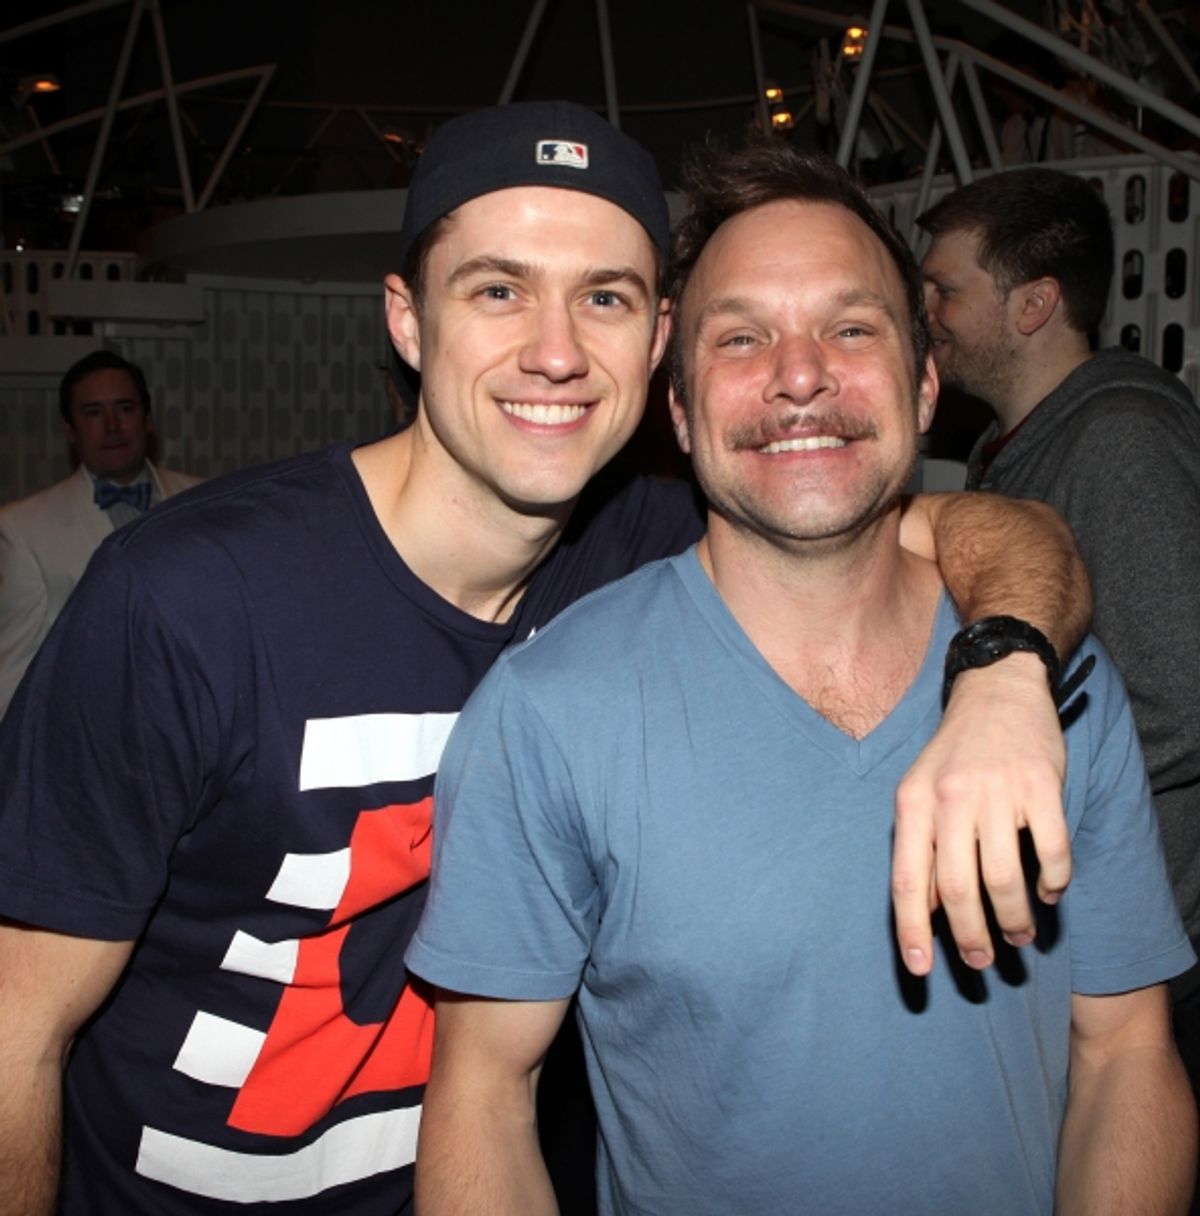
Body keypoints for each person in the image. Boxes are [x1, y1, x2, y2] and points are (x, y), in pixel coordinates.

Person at [0, 103, 1087, 1216]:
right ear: (408, 321)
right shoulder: (190, 598)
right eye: (497, 289)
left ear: (657, 340)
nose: (558, 351)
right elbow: (15, 1035)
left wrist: (1004, 670)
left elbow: (995, 532)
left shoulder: (656, 548)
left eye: (604, 297)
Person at [408, 140, 1197, 1216]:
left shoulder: (1049, 682)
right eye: (741, 337)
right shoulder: (549, 713)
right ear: (678, 412)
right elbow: (485, 1098)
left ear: (925, 384)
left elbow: (1126, 1050)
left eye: (851, 327)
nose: (800, 374)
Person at [918, 167, 1200, 1093]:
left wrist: (1009, 779)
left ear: (1033, 304)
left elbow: (1184, 696)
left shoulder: (1119, 439)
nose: (929, 312)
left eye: (945, 288)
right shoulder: (1029, 446)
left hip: (1148, 950)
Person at [0, 348, 201, 716]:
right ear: (70, 432)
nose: (112, 425)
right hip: (87, 742)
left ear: (148, 419)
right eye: (93, 413)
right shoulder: (22, 528)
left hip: (195, 733)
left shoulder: (203, 501)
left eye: (125, 408)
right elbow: (12, 674)